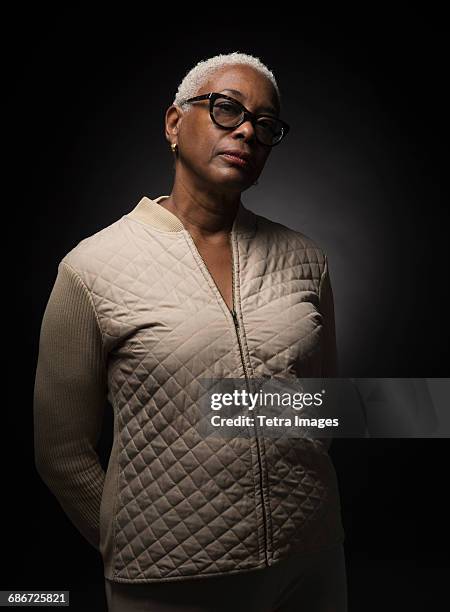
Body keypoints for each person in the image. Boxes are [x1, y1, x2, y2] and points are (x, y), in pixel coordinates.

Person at [33, 51, 348, 611]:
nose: (248, 130)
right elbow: (60, 449)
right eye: (227, 109)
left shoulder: (306, 259)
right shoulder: (91, 268)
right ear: (175, 123)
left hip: (311, 563)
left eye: (266, 124)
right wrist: (125, 539)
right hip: (167, 580)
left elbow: (324, 407)